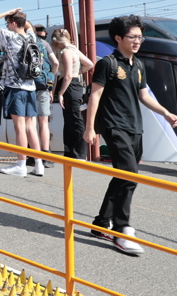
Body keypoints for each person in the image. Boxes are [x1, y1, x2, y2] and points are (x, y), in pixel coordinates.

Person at [84, 16, 177, 255]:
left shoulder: (138, 65)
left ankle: (102, 223)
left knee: (123, 177)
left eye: (140, 37)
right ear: (118, 38)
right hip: (114, 126)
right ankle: (122, 229)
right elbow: (94, 96)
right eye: (132, 37)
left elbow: (144, 95)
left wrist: (166, 112)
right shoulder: (107, 64)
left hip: (135, 127)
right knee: (129, 176)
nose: (138, 41)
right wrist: (90, 128)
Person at [0, 8, 42, 177]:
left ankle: (21, 165)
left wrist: (7, 12)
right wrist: (22, 17)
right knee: (31, 127)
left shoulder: (10, 36)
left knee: (19, 128)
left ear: (14, 23)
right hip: (31, 87)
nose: (6, 25)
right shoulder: (31, 36)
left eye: (8, 22)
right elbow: (29, 25)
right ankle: (38, 164)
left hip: (15, 88)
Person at [51, 28, 94, 160]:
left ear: (56, 41)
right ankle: (73, 152)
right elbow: (89, 64)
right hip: (76, 86)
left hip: (69, 87)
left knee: (73, 121)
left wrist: (61, 92)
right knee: (73, 119)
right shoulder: (74, 49)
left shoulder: (65, 52)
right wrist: (78, 73)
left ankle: (78, 153)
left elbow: (68, 75)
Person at [32, 24, 60, 168]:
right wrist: (51, 79)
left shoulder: (29, 42)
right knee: (44, 122)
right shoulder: (45, 45)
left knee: (29, 122)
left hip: (29, 86)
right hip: (43, 86)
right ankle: (46, 153)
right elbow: (55, 63)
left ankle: (34, 154)